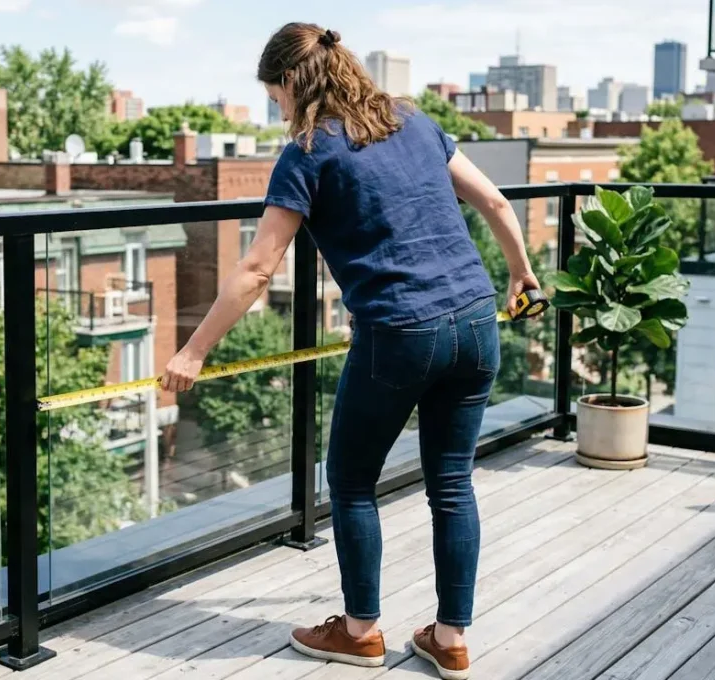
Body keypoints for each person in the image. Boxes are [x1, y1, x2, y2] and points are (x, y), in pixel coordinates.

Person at [159, 22, 540, 680]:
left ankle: (361, 630)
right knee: (451, 484)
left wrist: (192, 351)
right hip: (477, 319)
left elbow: (255, 271)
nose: (275, 110)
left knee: (352, 481)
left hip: (400, 332)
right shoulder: (414, 122)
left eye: (275, 96)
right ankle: (450, 639)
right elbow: (495, 201)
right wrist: (521, 274)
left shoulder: (307, 152)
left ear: (291, 83)